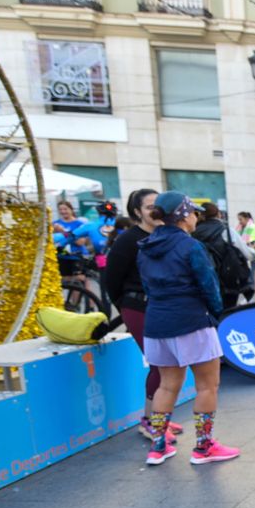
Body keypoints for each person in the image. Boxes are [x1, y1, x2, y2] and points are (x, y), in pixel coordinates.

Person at [137, 191, 236, 465]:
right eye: (193, 212)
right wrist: (216, 312)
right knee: (207, 386)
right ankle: (204, 447)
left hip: (157, 324)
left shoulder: (145, 247)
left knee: (167, 385)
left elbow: (147, 287)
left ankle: (158, 446)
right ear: (182, 216)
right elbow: (209, 286)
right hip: (191, 321)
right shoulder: (190, 246)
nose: (196, 217)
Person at [103, 189, 177, 446]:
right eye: (149, 207)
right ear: (137, 212)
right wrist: (127, 306)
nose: (155, 211)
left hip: (164, 309)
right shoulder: (128, 240)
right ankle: (151, 421)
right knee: (160, 365)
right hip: (139, 309)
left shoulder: (166, 235)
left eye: (159, 205)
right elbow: (111, 280)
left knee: (169, 365)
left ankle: (160, 416)